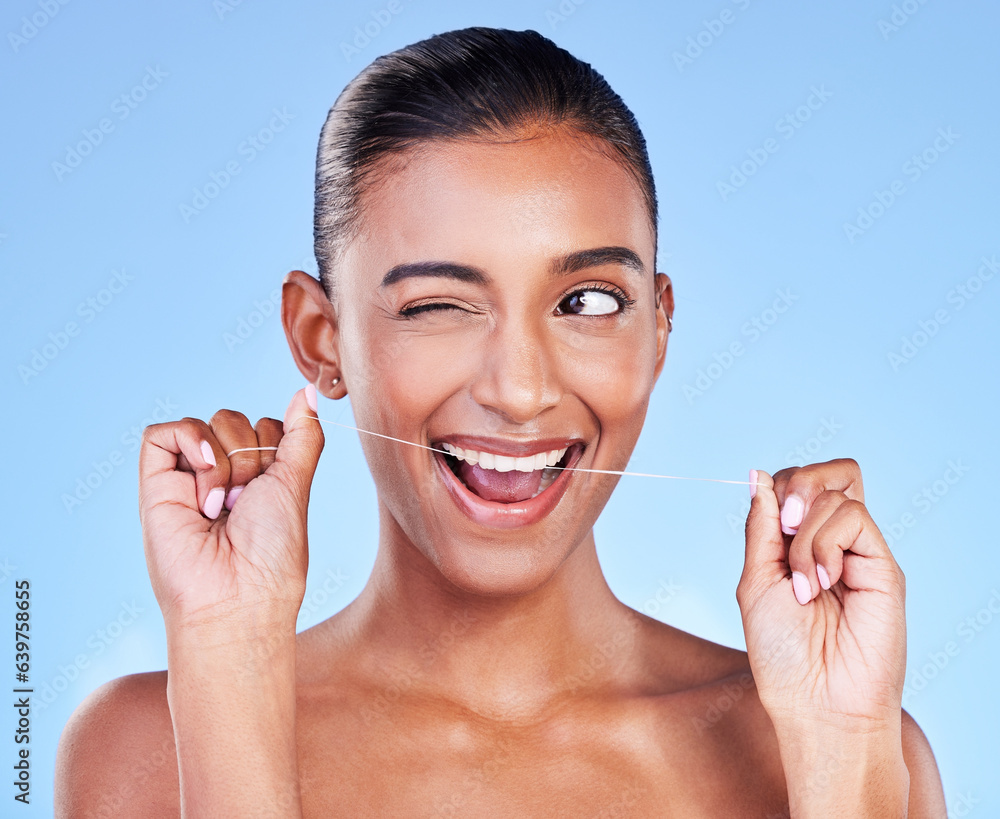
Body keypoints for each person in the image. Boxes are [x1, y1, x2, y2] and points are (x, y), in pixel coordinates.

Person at [55, 27, 945, 817]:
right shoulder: (144, 752)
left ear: (660, 327)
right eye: (439, 305)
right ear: (321, 339)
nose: (520, 391)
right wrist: (228, 661)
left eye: (588, 300)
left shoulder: (851, 740)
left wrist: (843, 754)